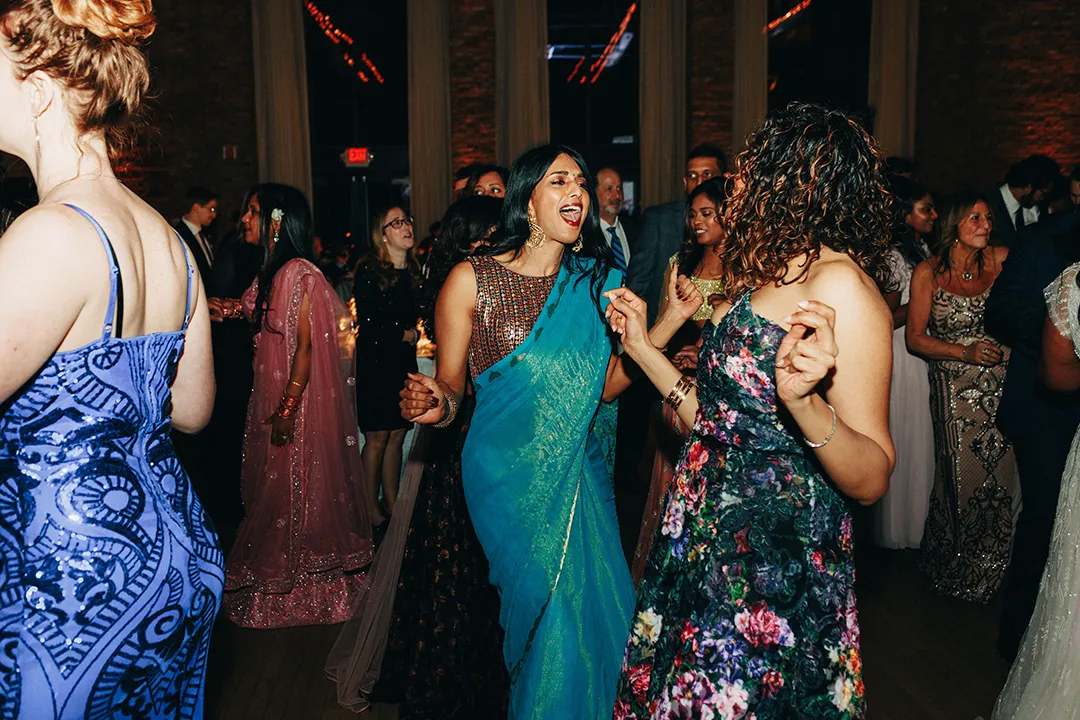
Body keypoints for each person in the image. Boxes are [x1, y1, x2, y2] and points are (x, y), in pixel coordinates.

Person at [608, 102, 895, 718]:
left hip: (771, 555)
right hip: (702, 527)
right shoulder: (764, 271)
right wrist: (645, 351)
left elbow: (872, 476)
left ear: (795, 180)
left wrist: (804, 402)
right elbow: (716, 423)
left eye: (751, 167)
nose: (736, 181)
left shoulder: (842, 286)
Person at [398, 144, 701, 718]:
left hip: (575, 474)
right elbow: (453, 388)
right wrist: (435, 403)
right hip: (502, 478)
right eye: (560, 180)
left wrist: (670, 320)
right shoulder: (471, 280)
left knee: (579, 616)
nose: (577, 192)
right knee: (539, 612)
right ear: (527, 198)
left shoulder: (598, 281)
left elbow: (607, 386)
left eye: (581, 182)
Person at [0, 1, 224, 717]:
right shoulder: (169, 239)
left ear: (39, 91)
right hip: (172, 561)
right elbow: (192, 411)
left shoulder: (49, 233)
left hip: (67, 582)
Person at [328, 195, 509, 716]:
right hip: (402, 380)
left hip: (436, 389)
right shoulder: (426, 278)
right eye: (487, 238)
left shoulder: (428, 274)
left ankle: (385, 504)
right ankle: (372, 509)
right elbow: (381, 326)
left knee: (392, 443)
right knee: (383, 442)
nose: (496, 246)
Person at [211, 183, 374, 628]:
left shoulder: (302, 275)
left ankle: (307, 583)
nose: (245, 219)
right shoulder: (273, 271)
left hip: (295, 403)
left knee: (295, 487)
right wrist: (222, 308)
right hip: (270, 394)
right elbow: (254, 311)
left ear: (276, 222)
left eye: (253, 211)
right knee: (269, 487)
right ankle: (278, 571)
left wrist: (286, 410)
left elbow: (306, 348)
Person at [907, 193, 1018, 603]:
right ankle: (955, 560)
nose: (986, 224)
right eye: (975, 217)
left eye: (988, 217)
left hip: (1003, 388)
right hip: (953, 390)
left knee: (1001, 481)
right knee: (959, 478)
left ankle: (996, 567)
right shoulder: (928, 272)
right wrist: (964, 352)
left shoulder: (1002, 260)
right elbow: (915, 338)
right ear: (954, 223)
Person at [986, 201, 1080, 660]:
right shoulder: (1044, 237)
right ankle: (1021, 636)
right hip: (1048, 409)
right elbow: (1000, 309)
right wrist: (1061, 328)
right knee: (1045, 518)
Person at [630, 176, 728, 585]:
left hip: (717, 390)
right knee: (668, 481)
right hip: (674, 383)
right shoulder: (680, 262)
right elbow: (662, 323)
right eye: (693, 214)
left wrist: (704, 347)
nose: (697, 221)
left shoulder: (746, 267)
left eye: (707, 213)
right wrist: (669, 353)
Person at [874, 177, 937, 549]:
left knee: (921, 433)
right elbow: (884, 316)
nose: (934, 215)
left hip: (920, 346)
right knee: (906, 431)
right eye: (926, 209)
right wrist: (921, 306)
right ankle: (901, 527)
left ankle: (921, 522)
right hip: (901, 348)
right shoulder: (894, 256)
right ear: (905, 214)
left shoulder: (922, 247)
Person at [353, 206, 422, 525]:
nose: (406, 226)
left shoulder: (413, 270)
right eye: (396, 223)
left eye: (407, 220)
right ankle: (368, 507)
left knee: (397, 433)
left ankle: (392, 501)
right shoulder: (369, 270)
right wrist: (405, 334)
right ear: (382, 235)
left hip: (402, 361)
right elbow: (368, 324)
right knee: (378, 437)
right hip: (376, 363)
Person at [628, 143, 727, 325]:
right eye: (692, 176)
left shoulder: (748, 259)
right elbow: (639, 284)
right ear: (684, 182)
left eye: (707, 174)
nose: (699, 182)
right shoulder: (659, 220)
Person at [985, 155, 1061, 248]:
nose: (1042, 198)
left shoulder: (1040, 209)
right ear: (1028, 188)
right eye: (1043, 194)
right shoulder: (988, 205)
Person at [175, 185, 218, 281]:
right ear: (196, 208)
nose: (214, 215)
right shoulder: (179, 236)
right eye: (211, 209)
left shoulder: (206, 234)